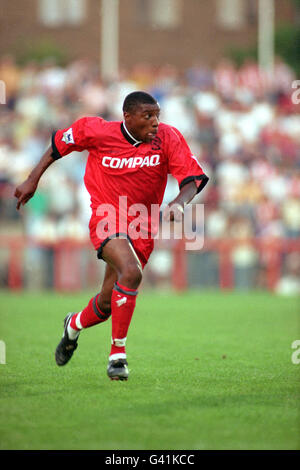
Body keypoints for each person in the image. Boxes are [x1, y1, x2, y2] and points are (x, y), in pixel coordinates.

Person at [14, 91, 209, 381]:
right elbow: (58, 144)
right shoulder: (96, 131)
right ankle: (117, 356)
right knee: (131, 273)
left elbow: (193, 179)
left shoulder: (167, 137)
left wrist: (179, 203)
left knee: (106, 304)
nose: (155, 122)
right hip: (106, 217)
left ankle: (73, 325)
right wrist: (33, 179)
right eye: (148, 116)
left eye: (157, 115)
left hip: (143, 227)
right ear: (127, 117)